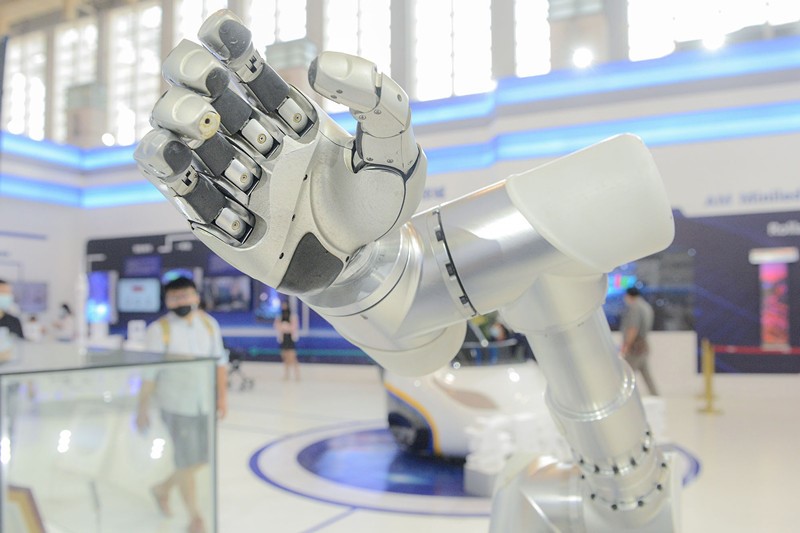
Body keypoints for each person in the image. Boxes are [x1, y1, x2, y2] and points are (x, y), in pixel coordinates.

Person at [136, 277, 228, 533]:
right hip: (175, 404)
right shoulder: (159, 330)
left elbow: (220, 363)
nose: (181, 301)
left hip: (203, 404)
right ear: (167, 300)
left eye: (185, 295)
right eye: (175, 297)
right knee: (187, 460)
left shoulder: (209, 325)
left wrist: (222, 397)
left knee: (202, 458)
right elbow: (149, 374)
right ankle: (195, 518)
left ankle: (162, 488)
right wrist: (141, 407)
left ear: (196, 296)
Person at [620, 287, 659, 395]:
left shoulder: (635, 308)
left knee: (627, 374)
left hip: (635, 347)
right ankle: (656, 396)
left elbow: (633, 328)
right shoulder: (646, 307)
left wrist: (626, 345)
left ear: (628, 295)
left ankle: (624, 397)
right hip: (644, 345)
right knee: (646, 374)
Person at [274, 299, 300, 380]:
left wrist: (286, 327)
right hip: (283, 339)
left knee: (293, 358)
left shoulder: (293, 316)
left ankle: (297, 375)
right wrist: (283, 327)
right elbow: (277, 327)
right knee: (285, 358)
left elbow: (293, 328)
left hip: (290, 339)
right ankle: (286, 375)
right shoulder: (279, 316)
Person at [0, 279, 25, 359]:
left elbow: (21, 347)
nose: (6, 296)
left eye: (8, 293)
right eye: (2, 293)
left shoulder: (14, 321)